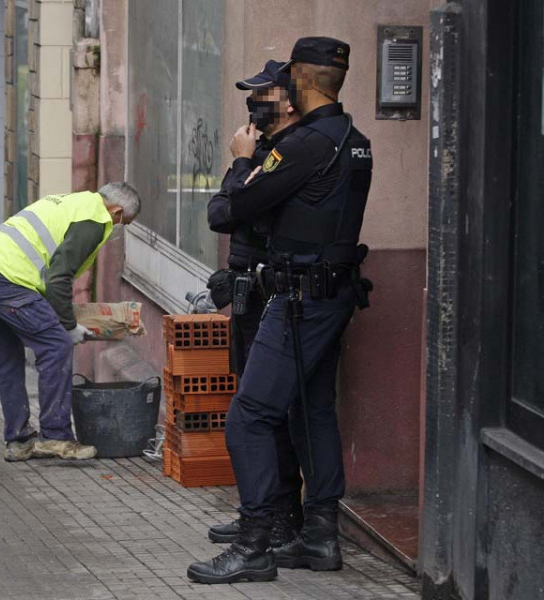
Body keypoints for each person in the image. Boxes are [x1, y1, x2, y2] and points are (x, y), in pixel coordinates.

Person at [188, 37, 373, 584]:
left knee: (250, 415)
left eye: (287, 76)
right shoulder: (354, 141)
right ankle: (318, 535)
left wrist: (241, 161)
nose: (279, 88)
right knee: (310, 410)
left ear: (303, 80)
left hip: (299, 299)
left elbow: (232, 210)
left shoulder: (305, 146)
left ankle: (255, 545)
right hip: (329, 293)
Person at [0, 183, 141, 462]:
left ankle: (19, 441)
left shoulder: (75, 202)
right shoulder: (94, 219)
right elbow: (58, 277)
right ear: (116, 211)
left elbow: (48, 271)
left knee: (7, 359)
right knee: (56, 346)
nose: (118, 228)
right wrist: (68, 327)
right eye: (123, 222)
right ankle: (55, 436)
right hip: (5, 278)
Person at [205, 60, 305, 553]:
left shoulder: (281, 157)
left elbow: (229, 211)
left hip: (272, 294)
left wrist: (242, 163)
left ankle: (281, 519)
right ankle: (260, 510)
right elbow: (218, 212)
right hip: (247, 292)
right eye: (251, 94)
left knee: (267, 411)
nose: (253, 103)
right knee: (251, 399)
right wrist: (243, 163)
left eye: (262, 93)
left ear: (287, 99)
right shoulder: (260, 150)